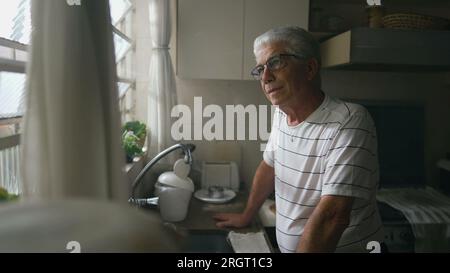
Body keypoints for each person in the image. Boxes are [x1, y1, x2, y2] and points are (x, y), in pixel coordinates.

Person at [213, 26, 385, 253]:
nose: (265, 77)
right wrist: (247, 215)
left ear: (310, 68)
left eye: (275, 63)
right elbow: (269, 167)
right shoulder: (282, 114)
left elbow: (333, 217)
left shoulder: (349, 120)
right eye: (260, 69)